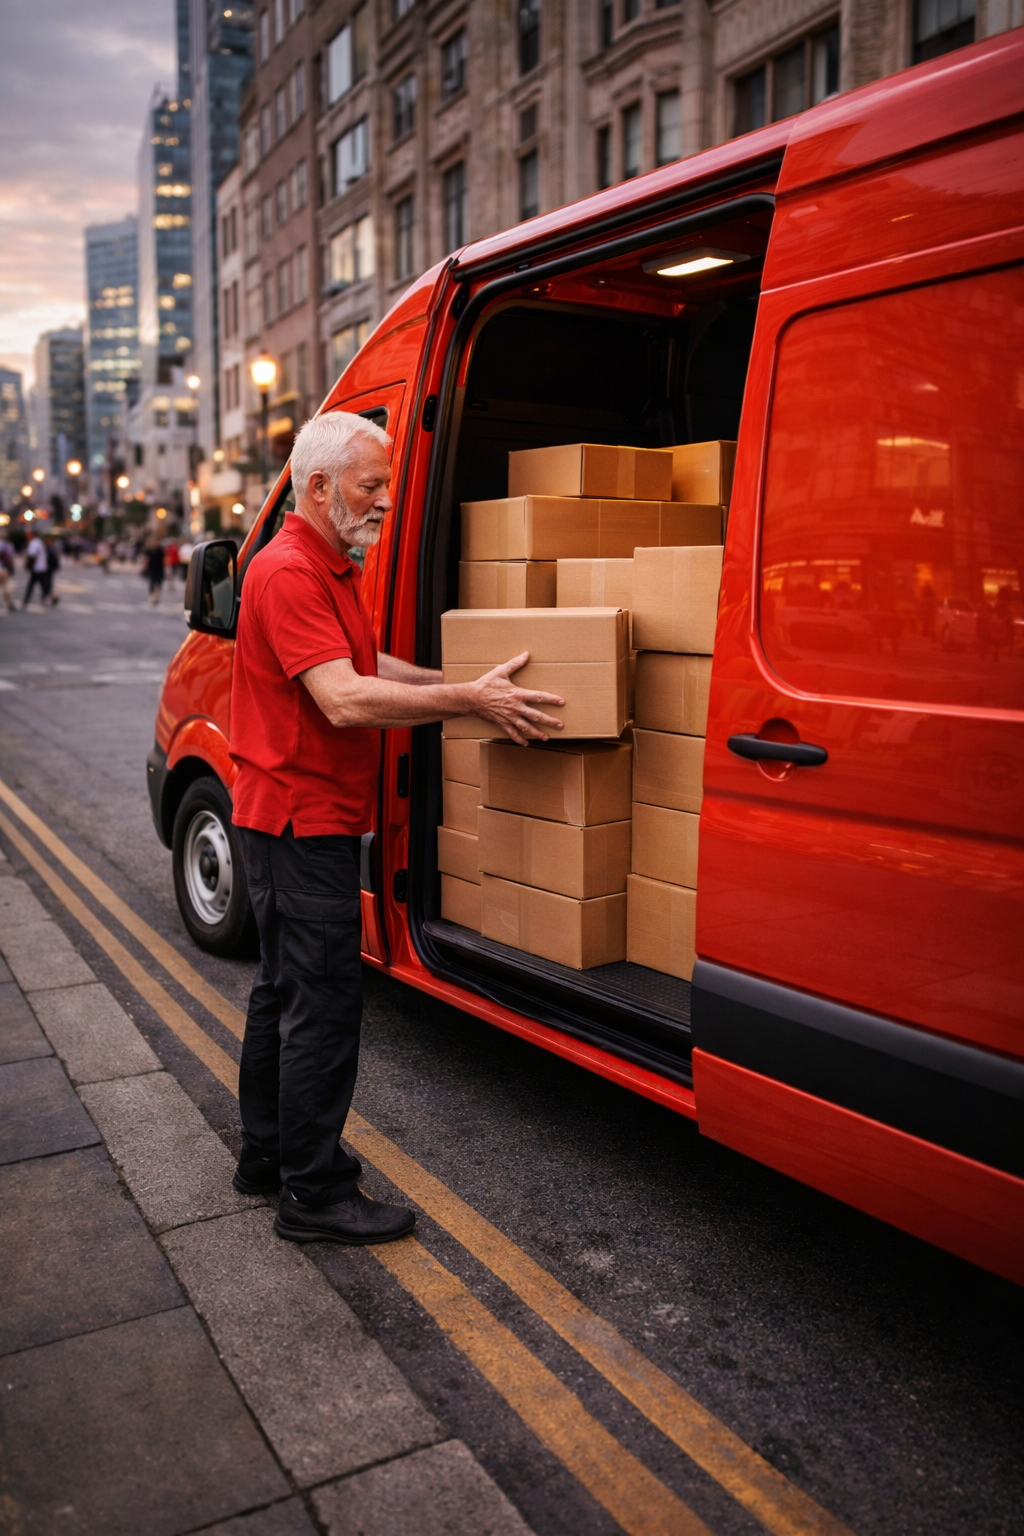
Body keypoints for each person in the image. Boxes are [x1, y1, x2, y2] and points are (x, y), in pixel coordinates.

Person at [230, 411, 564, 1246]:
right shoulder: (288, 572)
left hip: (292, 824)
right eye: (371, 486)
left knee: (282, 996)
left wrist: (466, 683)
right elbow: (343, 700)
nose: (385, 502)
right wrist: (467, 702)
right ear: (317, 487)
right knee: (324, 1008)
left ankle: (265, 1157)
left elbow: (369, 672)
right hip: (301, 827)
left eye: (386, 485)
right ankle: (315, 1195)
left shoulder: (330, 565)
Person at [22, 530, 53, 607]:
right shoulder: (39, 542)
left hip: (37, 568)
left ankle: (25, 601)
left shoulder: (34, 543)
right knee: (44, 585)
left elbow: (32, 554)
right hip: (42, 567)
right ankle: (52, 597)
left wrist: (27, 564)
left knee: (33, 585)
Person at [144, 537, 165, 603]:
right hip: (152, 569)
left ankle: (157, 596)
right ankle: (152, 595)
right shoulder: (149, 550)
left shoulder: (160, 550)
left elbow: (164, 559)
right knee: (152, 583)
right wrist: (144, 566)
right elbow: (146, 559)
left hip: (159, 569)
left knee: (159, 583)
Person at [0, 532, 16, 612]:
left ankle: (10, 603)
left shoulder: (1, 544)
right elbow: (11, 557)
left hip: (1, 568)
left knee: (5, 586)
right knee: (5, 586)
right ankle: (10, 603)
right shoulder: (10, 545)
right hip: (5, 569)